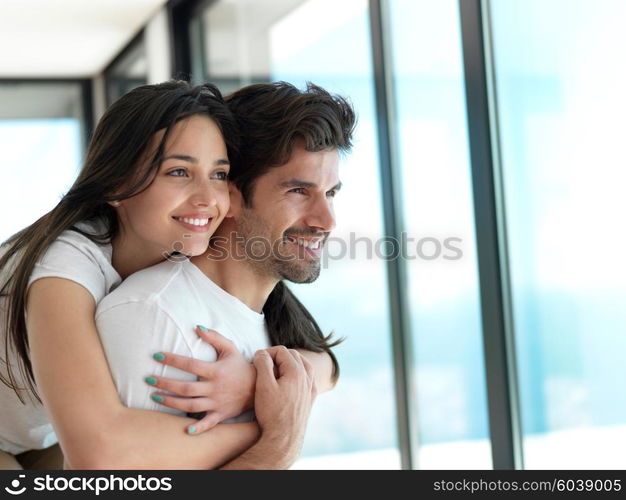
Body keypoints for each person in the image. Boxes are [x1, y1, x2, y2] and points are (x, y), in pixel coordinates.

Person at [0, 80, 333, 470]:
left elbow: (326, 362)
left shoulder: (196, 257)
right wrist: (272, 424)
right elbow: (98, 454)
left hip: (38, 433)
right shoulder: (64, 268)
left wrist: (251, 384)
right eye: (179, 171)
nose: (208, 198)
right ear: (116, 184)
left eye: (219, 174)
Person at [95, 81, 356, 468]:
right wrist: (280, 439)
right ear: (231, 195)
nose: (327, 220)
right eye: (300, 191)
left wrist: (255, 384)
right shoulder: (151, 316)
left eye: (330, 192)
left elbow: (327, 365)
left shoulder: (271, 316)